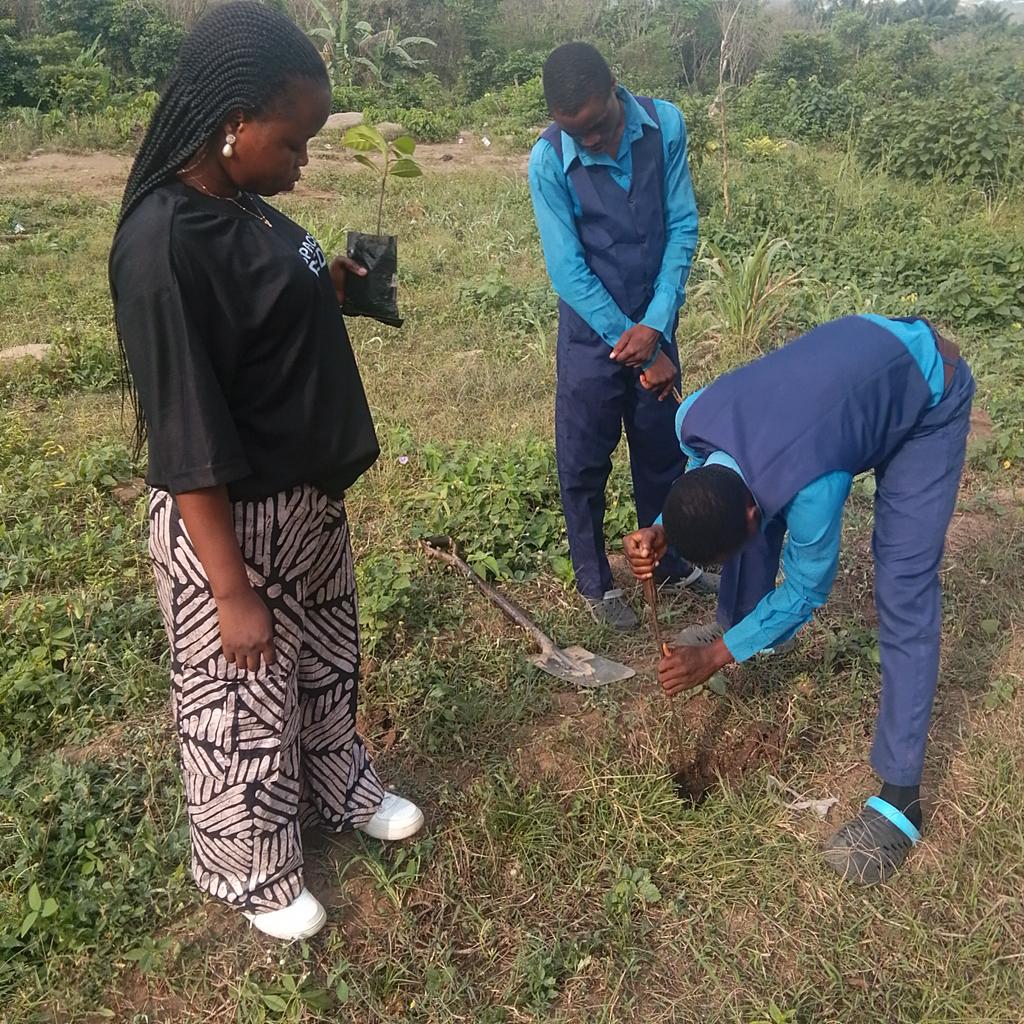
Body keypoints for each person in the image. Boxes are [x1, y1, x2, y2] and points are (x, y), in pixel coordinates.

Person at [109, 2, 423, 941]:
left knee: (324, 662)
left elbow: (268, 289)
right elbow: (184, 429)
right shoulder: (161, 245)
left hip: (307, 502)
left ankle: (336, 783)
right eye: (294, 143)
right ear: (233, 123)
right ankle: (249, 862)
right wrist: (231, 588)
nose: (302, 163)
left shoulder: (240, 200)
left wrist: (331, 284)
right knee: (237, 694)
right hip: (232, 524)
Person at [623, 314, 974, 884]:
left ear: (754, 511)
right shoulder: (695, 417)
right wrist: (664, 527)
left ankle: (901, 800)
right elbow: (702, 477)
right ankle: (740, 635)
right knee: (746, 535)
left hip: (926, 389)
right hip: (843, 380)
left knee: (903, 586)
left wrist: (714, 657)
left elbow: (809, 589)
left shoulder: (814, 486)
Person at [528, 42, 717, 632]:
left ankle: (668, 559)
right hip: (592, 338)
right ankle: (594, 579)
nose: (591, 143)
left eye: (598, 127)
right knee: (584, 460)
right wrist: (632, 339)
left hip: (657, 324)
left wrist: (657, 327)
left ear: (617, 87)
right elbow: (567, 271)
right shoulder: (547, 160)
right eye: (575, 134)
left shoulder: (666, 126)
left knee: (663, 446)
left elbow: (682, 225)